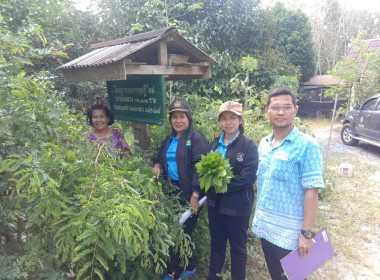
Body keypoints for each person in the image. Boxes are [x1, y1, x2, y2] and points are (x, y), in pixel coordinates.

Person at [251, 88, 324, 280]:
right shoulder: (264, 143)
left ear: (295, 111)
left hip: (290, 234)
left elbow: (312, 190)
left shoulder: (308, 145)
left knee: (293, 278)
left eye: (286, 107)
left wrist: (306, 234)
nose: (280, 112)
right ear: (267, 111)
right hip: (266, 227)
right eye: (275, 108)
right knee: (276, 275)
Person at [152, 100, 209, 280]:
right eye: (174, 117)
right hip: (173, 193)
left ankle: (173, 272)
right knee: (180, 231)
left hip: (191, 193)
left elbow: (200, 168)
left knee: (181, 232)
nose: (178, 120)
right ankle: (190, 267)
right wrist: (157, 163)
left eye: (181, 116)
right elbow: (160, 155)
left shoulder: (195, 138)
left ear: (188, 118)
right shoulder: (169, 139)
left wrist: (195, 194)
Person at [207, 101, 258, 280]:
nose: (228, 122)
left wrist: (220, 185)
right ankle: (214, 277)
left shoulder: (248, 145)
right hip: (214, 205)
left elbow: (247, 177)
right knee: (217, 244)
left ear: (240, 120)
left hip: (237, 207)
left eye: (233, 118)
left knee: (238, 248)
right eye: (224, 118)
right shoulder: (214, 143)